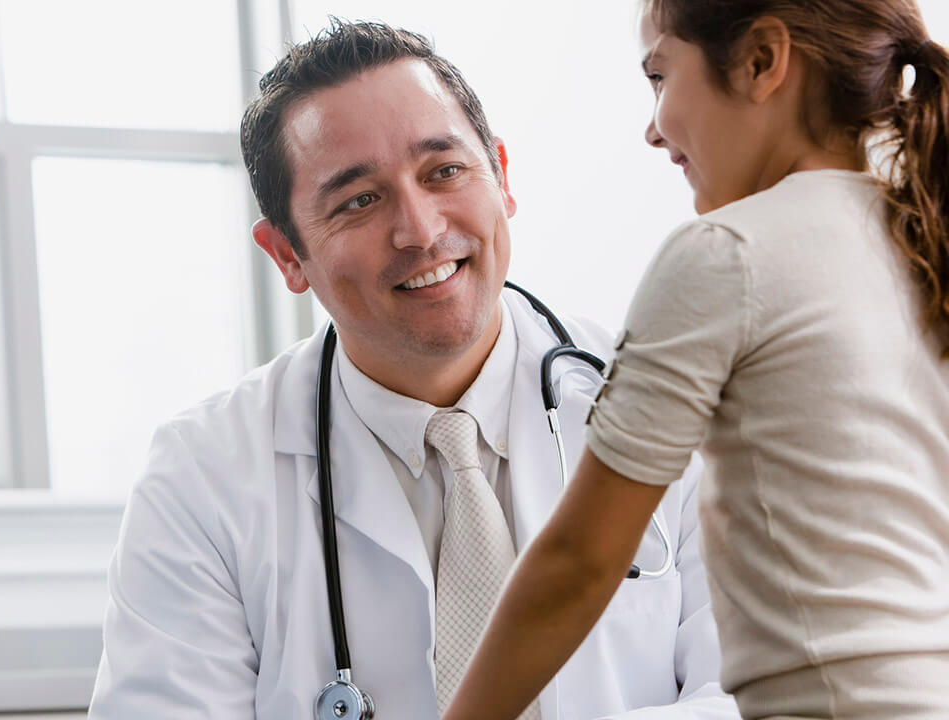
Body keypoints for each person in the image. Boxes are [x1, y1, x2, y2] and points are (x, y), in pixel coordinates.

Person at [89, 20, 737, 720]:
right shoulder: (203, 477)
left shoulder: (677, 404)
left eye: (445, 171)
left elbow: (758, 695)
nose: (421, 230)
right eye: (359, 200)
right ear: (286, 256)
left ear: (502, 176)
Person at [443, 1, 949, 719]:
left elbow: (581, 563)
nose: (652, 129)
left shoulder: (727, 255)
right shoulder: (919, 238)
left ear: (761, 61)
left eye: (659, 74)